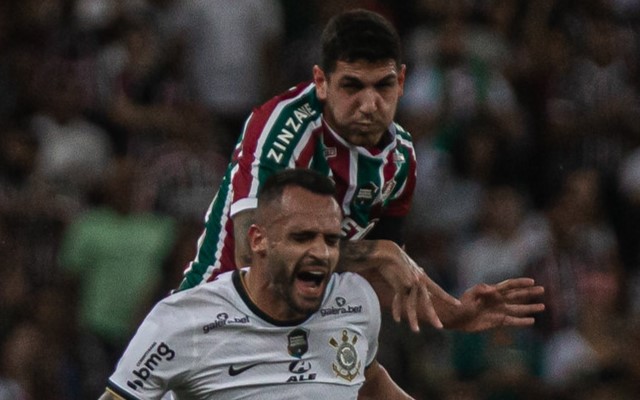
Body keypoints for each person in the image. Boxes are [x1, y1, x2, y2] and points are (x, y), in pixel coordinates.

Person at [178, 8, 544, 332]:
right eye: (352, 86)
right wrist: (379, 252)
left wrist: (457, 314)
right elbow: (249, 250)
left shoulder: (399, 158)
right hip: (218, 316)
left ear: (401, 82)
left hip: (300, 326)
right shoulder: (285, 126)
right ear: (322, 82)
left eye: (383, 86)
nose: (369, 104)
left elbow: (385, 277)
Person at [99, 169, 414, 399]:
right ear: (258, 240)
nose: (320, 253)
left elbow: (368, 381)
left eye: (331, 240)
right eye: (301, 237)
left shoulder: (355, 300)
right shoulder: (184, 321)